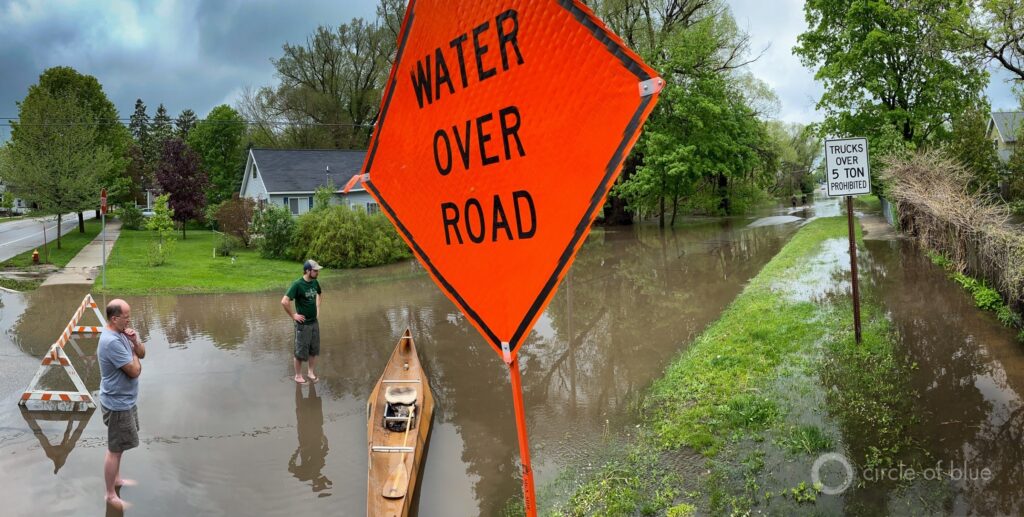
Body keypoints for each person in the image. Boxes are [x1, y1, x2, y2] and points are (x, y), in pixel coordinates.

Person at [97, 299, 146, 510]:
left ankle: (117, 479)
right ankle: (110, 495)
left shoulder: (124, 333)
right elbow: (135, 370)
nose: (129, 319)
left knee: (121, 446)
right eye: (126, 316)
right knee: (114, 449)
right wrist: (134, 355)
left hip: (125, 400)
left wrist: (135, 343)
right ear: (114, 318)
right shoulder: (112, 341)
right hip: (117, 404)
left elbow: (142, 353)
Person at [282, 260, 323, 384]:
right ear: (307, 271)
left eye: (317, 270)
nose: (317, 272)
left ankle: (310, 372)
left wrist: (318, 308)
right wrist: (293, 316)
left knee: (313, 349)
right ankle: (298, 376)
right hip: (303, 325)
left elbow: (320, 294)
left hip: (314, 323)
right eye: (315, 270)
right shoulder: (298, 284)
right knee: (300, 351)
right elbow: (284, 301)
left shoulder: (315, 282)